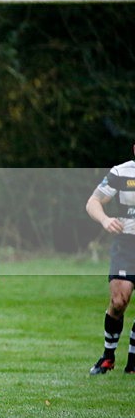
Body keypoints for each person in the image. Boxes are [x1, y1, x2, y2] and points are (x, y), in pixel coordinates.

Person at [86, 143, 135, 375]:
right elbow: (93, 202)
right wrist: (105, 220)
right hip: (126, 244)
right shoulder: (121, 173)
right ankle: (108, 356)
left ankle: (133, 363)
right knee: (119, 301)